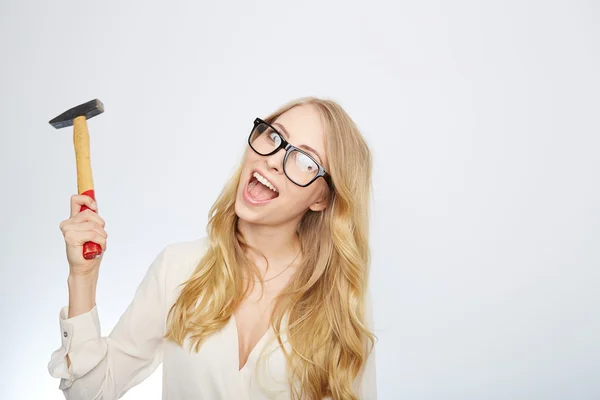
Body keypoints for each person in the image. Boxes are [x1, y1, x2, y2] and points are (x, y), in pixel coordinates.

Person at [48, 97, 378, 399]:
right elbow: (91, 392)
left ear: (321, 198)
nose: (275, 160)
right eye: (274, 137)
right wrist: (83, 276)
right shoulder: (177, 268)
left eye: (305, 160)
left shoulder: (339, 302)